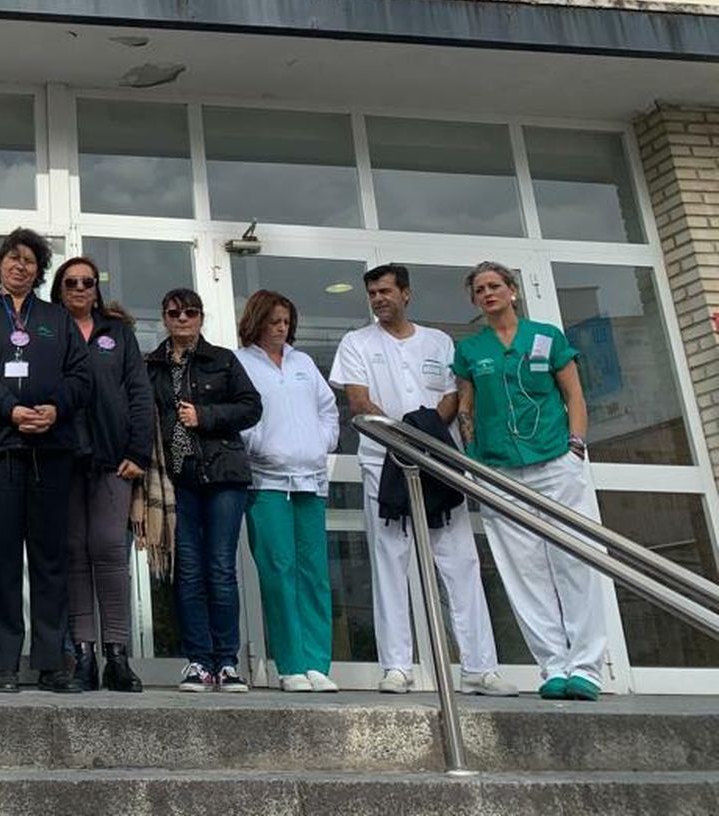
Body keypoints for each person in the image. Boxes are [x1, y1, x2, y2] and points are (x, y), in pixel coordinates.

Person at [330, 264, 514, 697]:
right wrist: (402, 437)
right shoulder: (357, 342)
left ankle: (479, 668)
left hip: (438, 463)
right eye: (373, 293)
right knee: (390, 562)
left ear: (406, 294)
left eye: (386, 291)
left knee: (460, 561)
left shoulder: (438, 341)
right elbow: (358, 401)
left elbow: (452, 394)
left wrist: (425, 432)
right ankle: (397, 666)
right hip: (383, 460)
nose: (379, 299)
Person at [453, 261, 608, 701]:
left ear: (513, 291)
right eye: (480, 289)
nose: (488, 293)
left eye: (494, 285)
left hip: (554, 459)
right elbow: (466, 406)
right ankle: (553, 667)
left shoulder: (547, 336)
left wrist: (575, 446)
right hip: (499, 469)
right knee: (524, 571)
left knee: (574, 561)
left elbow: (573, 393)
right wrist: (474, 460)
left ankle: (586, 669)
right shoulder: (471, 349)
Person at [0, 228, 92, 694]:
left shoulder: (56, 318)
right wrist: (10, 410)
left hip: (51, 450)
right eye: (13, 258)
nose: (20, 266)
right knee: (0, 559)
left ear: (39, 271)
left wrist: (55, 409)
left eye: (30, 261)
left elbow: (81, 376)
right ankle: (2, 663)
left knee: (49, 560)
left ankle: (51, 662)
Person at [141, 287, 261, 694]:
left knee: (221, 568)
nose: (182, 318)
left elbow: (251, 407)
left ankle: (226, 662)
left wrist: (206, 415)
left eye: (190, 312)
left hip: (223, 474)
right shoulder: (152, 365)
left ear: (201, 317)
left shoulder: (222, 359)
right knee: (188, 571)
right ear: (164, 317)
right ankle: (198, 661)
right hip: (178, 478)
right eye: (175, 312)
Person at [51, 256, 149, 692]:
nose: (79, 288)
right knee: (73, 551)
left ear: (96, 289)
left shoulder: (118, 333)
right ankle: (84, 657)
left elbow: (139, 393)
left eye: (87, 282)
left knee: (109, 549)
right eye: (70, 282)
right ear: (59, 288)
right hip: (63, 455)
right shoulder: (50, 330)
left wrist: (138, 451)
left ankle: (118, 657)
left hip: (114, 457)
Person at [234, 290, 340, 693]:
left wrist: (321, 442)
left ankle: (317, 663)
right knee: (279, 572)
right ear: (257, 321)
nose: (281, 329)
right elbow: (241, 413)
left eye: (286, 322)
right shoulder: (241, 362)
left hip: (310, 479)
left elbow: (328, 409)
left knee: (314, 573)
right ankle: (291, 664)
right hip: (267, 482)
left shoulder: (304, 363)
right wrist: (257, 444)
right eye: (274, 321)